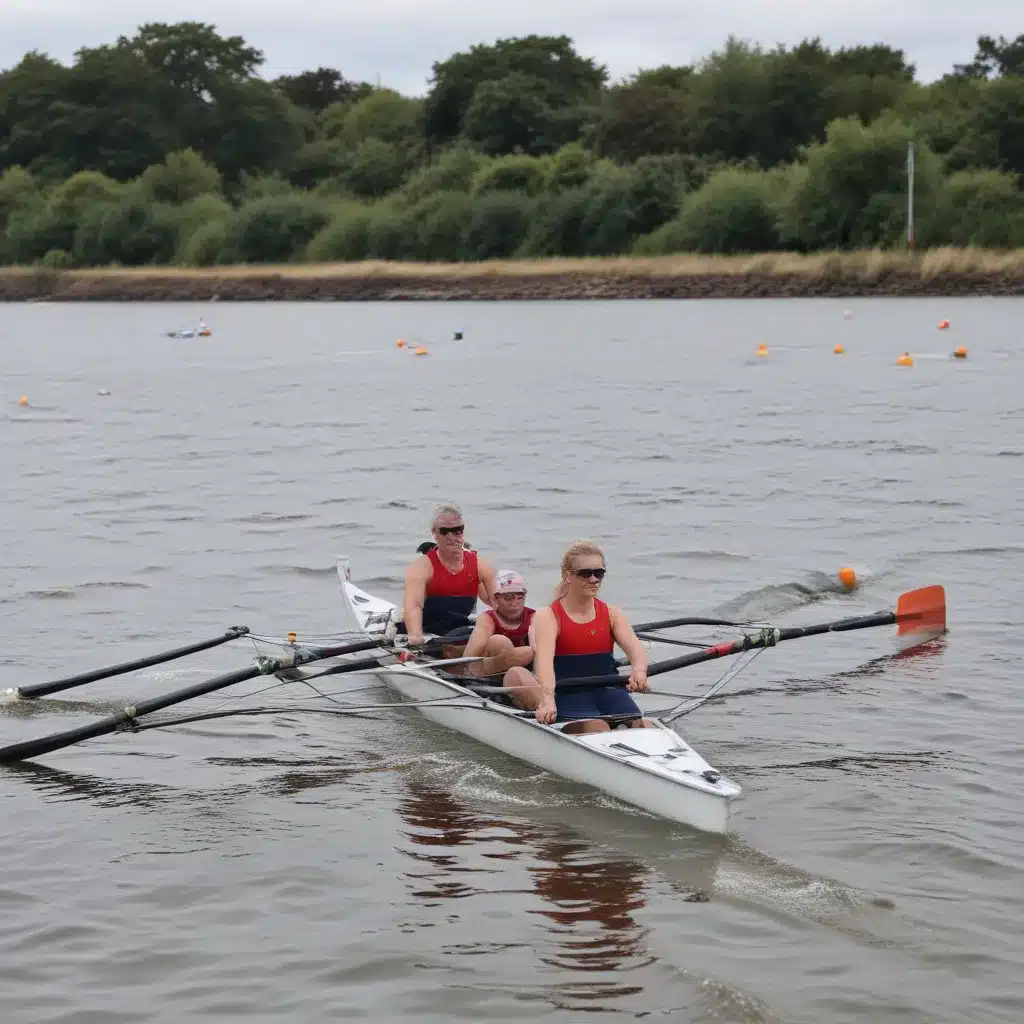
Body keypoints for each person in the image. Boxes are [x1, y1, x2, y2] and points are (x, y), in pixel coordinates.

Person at [505, 540, 650, 734]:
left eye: (599, 573)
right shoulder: (548, 616)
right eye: (585, 573)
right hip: (568, 694)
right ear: (567, 576)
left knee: (643, 726)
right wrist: (547, 699)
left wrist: (639, 671)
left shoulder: (612, 613)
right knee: (597, 727)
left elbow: (636, 651)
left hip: (610, 693)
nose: (593, 579)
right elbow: (544, 664)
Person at [403, 503, 496, 647]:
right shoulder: (421, 567)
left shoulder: (480, 565)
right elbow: (414, 606)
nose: (452, 537)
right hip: (429, 630)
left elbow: (497, 603)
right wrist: (415, 636)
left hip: (461, 629)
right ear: (434, 533)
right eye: (445, 531)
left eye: (457, 530)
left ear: (463, 531)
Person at [461, 570, 540, 704]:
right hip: (491, 671)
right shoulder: (487, 619)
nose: (515, 602)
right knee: (499, 642)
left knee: (528, 653)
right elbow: (468, 658)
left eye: (520, 596)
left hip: (524, 670)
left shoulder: (535, 617)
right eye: (508, 597)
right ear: (496, 598)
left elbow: (540, 649)